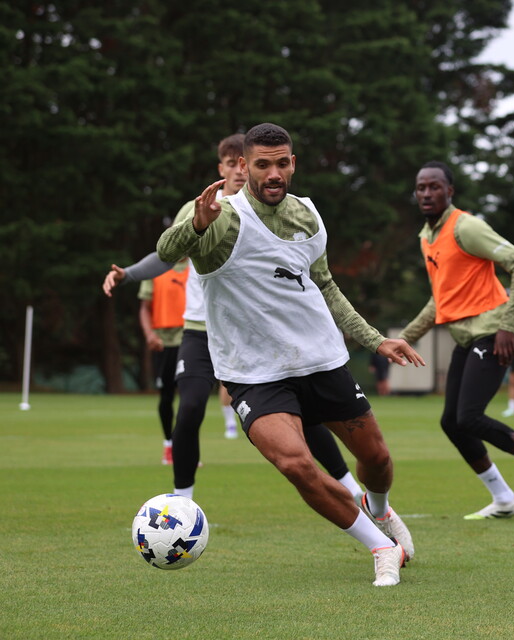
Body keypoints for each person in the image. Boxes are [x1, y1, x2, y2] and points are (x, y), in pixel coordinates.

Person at [158, 123, 423, 587]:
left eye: (282, 163)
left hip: (320, 360)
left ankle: (378, 510)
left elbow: (326, 286)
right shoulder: (221, 218)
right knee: (297, 465)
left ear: (293, 164)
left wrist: (375, 340)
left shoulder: (308, 216)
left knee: (377, 459)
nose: (274, 173)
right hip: (254, 373)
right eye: (262, 165)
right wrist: (195, 225)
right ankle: (381, 548)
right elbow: (165, 252)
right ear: (244, 167)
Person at [104, 134, 365, 504]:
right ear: (226, 167)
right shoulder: (200, 208)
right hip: (201, 330)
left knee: (302, 413)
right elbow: (167, 255)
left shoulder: (273, 212)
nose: (240, 172)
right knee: (190, 407)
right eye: (232, 164)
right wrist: (128, 274)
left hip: (255, 333)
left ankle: (353, 490)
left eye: (256, 164)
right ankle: (182, 503)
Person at [399, 161, 514, 520]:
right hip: (468, 337)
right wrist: (402, 339)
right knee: (452, 422)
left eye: (434, 187)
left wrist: (508, 326)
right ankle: (504, 498)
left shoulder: (466, 227)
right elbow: (440, 300)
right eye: (421, 187)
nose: (426, 193)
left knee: (470, 416)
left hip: (495, 331)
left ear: (450, 192)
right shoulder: (426, 237)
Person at [137, 257, 188, 464]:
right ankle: (169, 445)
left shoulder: (198, 265)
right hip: (163, 342)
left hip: (191, 339)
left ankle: (186, 449)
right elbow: (144, 307)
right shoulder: (155, 268)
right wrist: (149, 334)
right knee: (166, 396)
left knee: (191, 398)